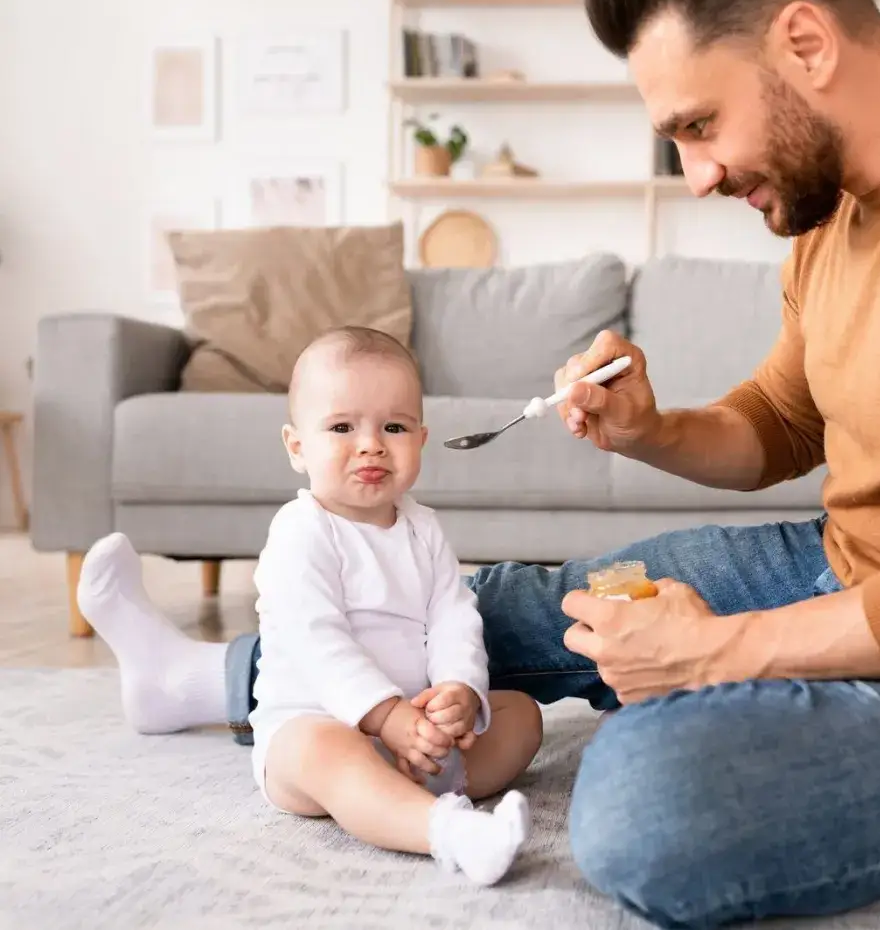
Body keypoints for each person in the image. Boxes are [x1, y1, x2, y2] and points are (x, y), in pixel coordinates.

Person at [76, 0, 880, 926]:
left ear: (804, 42)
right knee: (493, 610)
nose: (697, 173)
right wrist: (652, 429)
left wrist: (716, 654)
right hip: (850, 568)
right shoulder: (835, 215)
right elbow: (780, 422)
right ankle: (200, 679)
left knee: (647, 807)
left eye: (697, 124)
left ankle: (699, 721)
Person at [80, 327, 543, 887]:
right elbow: (316, 642)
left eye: (393, 427)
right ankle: (447, 831)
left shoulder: (423, 528)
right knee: (324, 749)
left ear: (420, 440)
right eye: (342, 427)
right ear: (297, 446)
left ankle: (401, 790)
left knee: (521, 715)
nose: (371, 444)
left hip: (412, 727)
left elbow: (453, 614)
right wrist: (384, 716)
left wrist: (458, 691)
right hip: (317, 723)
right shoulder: (302, 530)